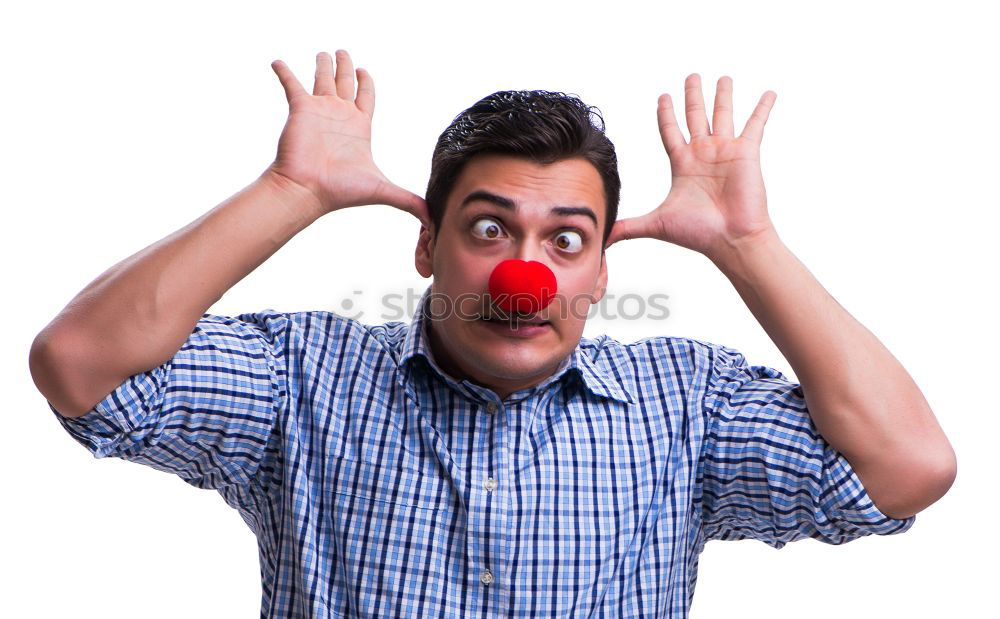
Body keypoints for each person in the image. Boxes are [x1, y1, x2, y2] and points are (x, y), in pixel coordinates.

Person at [29, 49, 956, 618]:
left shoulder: (687, 406)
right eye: (487, 228)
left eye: (565, 239)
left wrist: (750, 247)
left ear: (601, 272)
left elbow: (907, 465)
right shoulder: (300, 375)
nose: (526, 270)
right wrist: (291, 194)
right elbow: (80, 364)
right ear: (427, 245)